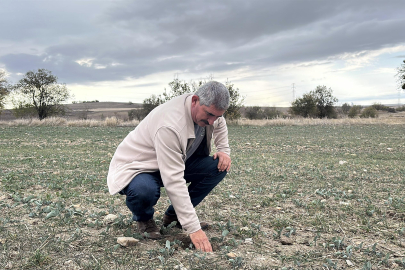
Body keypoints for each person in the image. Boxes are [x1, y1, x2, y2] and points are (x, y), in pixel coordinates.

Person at [107, 81, 232, 252]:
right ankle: (144, 219)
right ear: (195, 100)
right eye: (209, 114)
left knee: (218, 167)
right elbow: (173, 179)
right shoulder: (170, 124)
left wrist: (224, 150)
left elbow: (219, 123)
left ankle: (173, 217)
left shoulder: (210, 113)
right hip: (140, 167)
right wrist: (194, 229)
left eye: (217, 116)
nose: (212, 121)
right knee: (144, 190)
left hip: (175, 160)